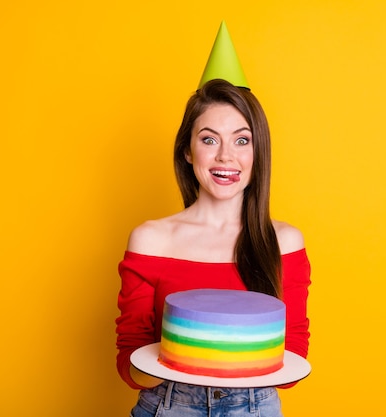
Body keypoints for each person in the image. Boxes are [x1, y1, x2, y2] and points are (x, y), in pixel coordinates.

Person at [115, 79, 311, 416]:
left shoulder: (284, 242)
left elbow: (292, 353)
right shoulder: (151, 239)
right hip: (167, 407)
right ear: (188, 151)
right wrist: (173, 358)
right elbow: (130, 357)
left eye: (242, 140)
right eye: (209, 139)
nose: (225, 156)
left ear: (258, 151)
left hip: (256, 408)